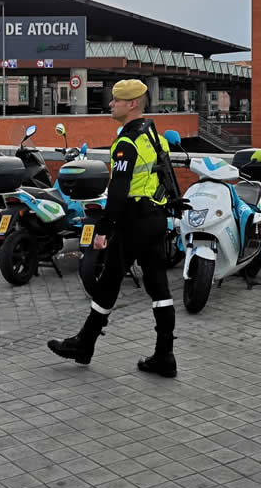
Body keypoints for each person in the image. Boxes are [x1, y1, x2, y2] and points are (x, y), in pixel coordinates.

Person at [47, 79, 178, 377]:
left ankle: (84, 344)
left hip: (133, 220)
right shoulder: (155, 137)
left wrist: (103, 230)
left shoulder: (126, 142)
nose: (110, 104)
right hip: (155, 218)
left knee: (108, 281)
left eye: (116, 100)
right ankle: (165, 355)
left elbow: (118, 191)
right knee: (158, 287)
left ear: (131, 104)